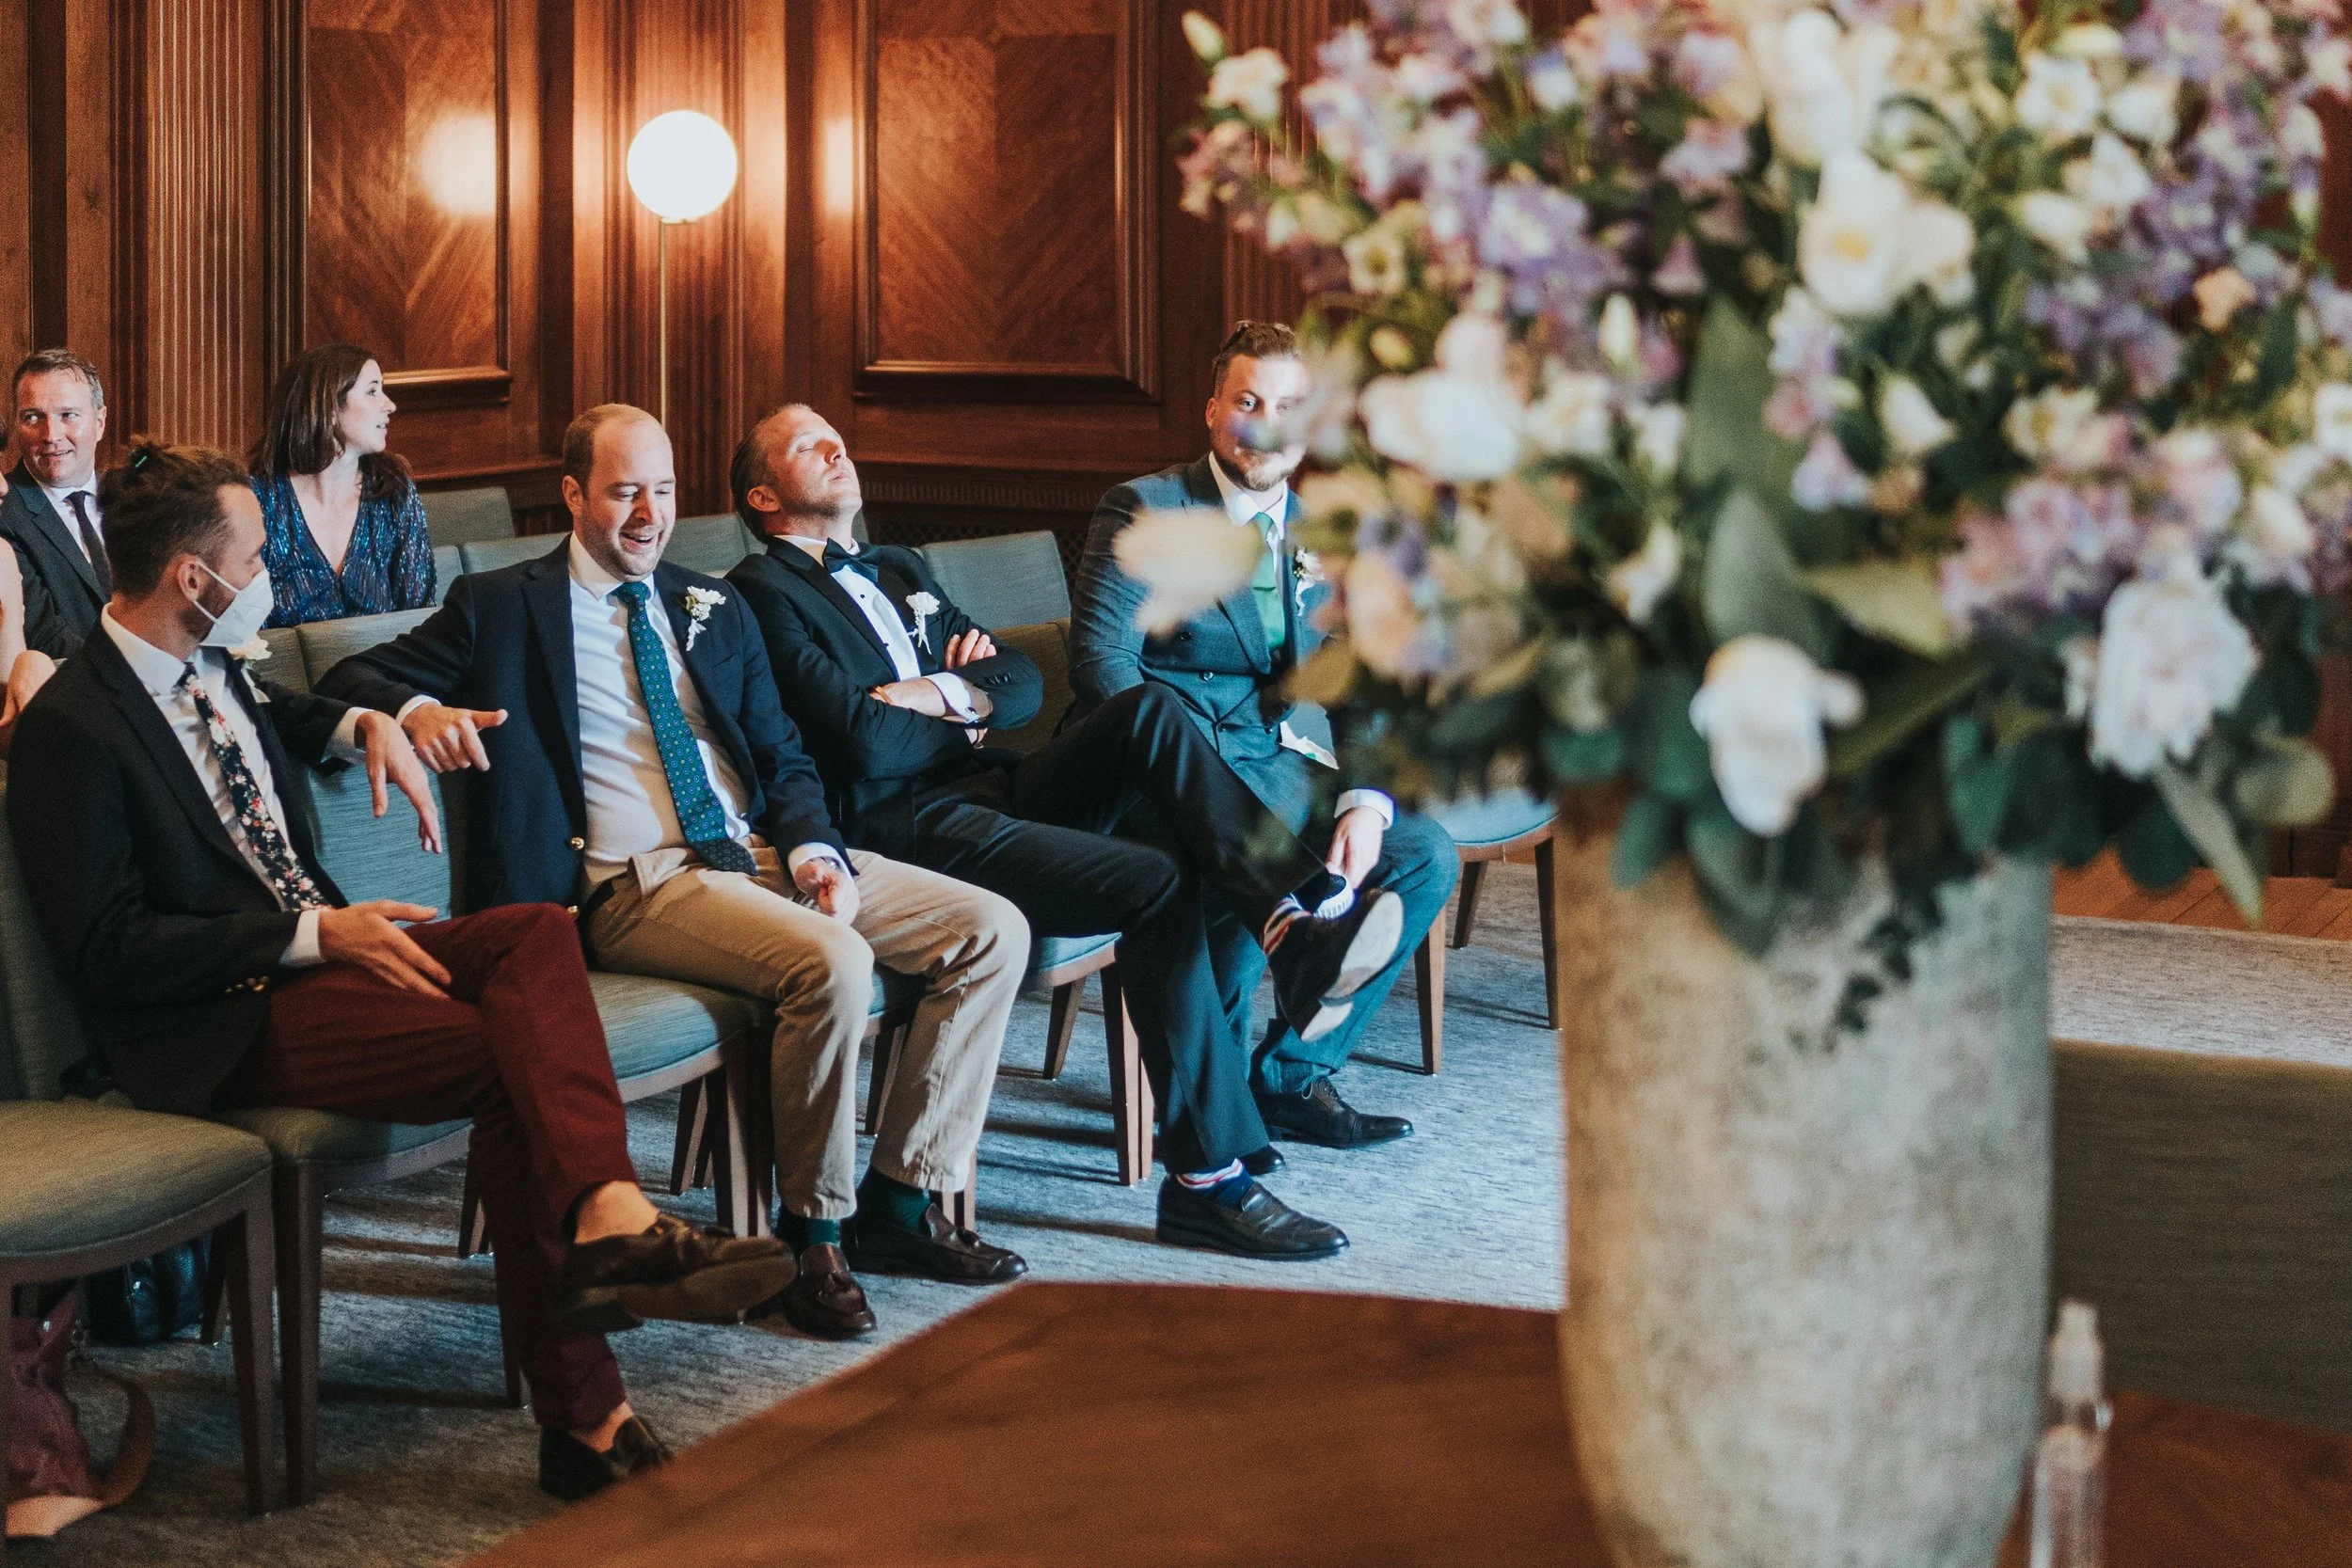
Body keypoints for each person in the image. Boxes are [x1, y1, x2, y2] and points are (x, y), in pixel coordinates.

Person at [6, 438, 791, 1502]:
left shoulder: (216, 663)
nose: (270, 585)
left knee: (532, 933)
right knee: (507, 1063)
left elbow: (292, 714)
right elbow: (108, 952)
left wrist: (384, 713)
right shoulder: (71, 727)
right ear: (196, 580)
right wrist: (313, 937)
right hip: (221, 1016)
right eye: (256, 562)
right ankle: (588, 1410)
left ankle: (607, 1212)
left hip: (332, 950)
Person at [316, 404, 1031, 1339]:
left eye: (662, 490)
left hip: (762, 852)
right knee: (834, 964)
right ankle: (814, 1235)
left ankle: (902, 1203)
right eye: (623, 492)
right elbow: (339, 681)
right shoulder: (502, 606)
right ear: (573, 494)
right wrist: (410, 710)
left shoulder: (713, 603)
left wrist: (815, 848)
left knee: (991, 930)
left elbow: (781, 757)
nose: (649, 514)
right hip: (634, 882)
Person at [725, 405, 1410, 1259]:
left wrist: (942, 695)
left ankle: (1289, 914)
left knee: (1148, 711)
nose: (836, 448)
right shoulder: (759, 593)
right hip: (910, 827)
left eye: (836, 435)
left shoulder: (898, 564)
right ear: (762, 494)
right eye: (806, 446)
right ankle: (1209, 1179)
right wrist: (959, 690)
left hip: (1001, 780)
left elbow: (1017, 685)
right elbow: (860, 741)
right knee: (1160, 876)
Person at [1071, 321, 1459, 1151]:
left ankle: (1290, 1074)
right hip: (1162, 773)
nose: (1264, 421)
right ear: (1215, 411)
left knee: (1421, 852)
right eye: (1247, 400)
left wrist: (1364, 801)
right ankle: (1218, 1118)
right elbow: (1102, 664)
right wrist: (1192, 784)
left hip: (1272, 760)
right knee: (1254, 849)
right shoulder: (1145, 507)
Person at [248, 343, 436, 625]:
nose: (390, 405)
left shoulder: (394, 494)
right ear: (329, 407)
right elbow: (242, 634)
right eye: (372, 391)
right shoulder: (258, 502)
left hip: (382, 668)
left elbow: (421, 618)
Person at [0, 347, 113, 657]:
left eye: (68, 415)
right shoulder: (5, 513)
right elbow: (43, 634)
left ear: (99, 422)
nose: (51, 435)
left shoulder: (138, 498)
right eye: (33, 417)